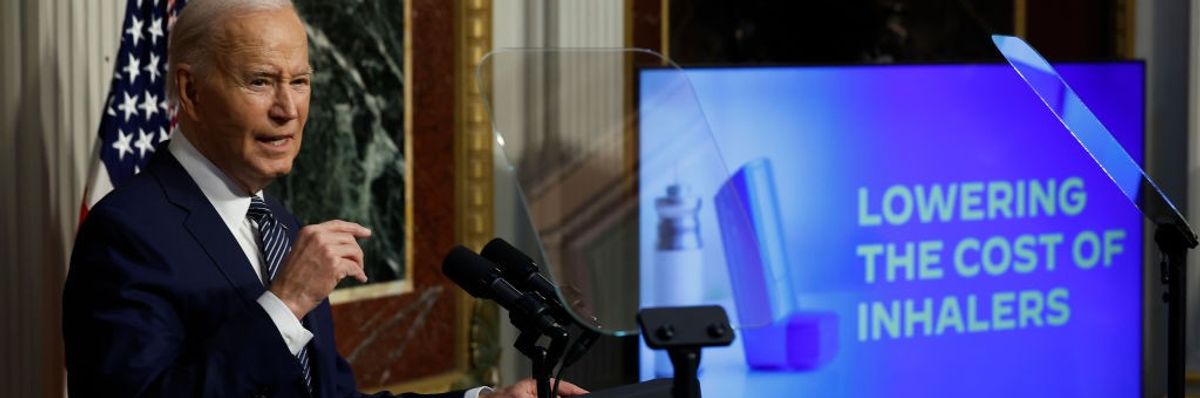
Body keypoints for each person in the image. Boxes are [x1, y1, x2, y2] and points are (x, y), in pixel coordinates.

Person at [62, 0, 587, 397]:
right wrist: (285, 304)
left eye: (300, 80)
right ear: (192, 92)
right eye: (261, 81)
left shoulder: (282, 227)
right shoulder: (126, 231)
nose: (288, 109)